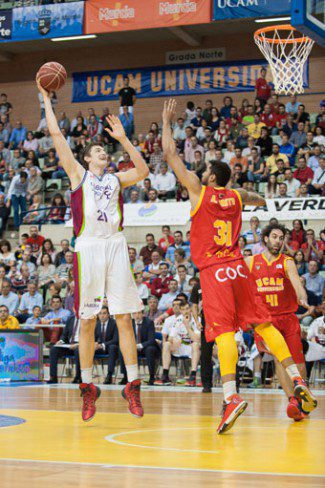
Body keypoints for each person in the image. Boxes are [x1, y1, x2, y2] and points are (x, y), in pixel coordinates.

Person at [162, 98, 317, 434]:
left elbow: (171, 155)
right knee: (262, 324)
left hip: (215, 272)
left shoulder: (199, 192)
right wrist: (261, 200)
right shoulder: (235, 196)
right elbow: (254, 197)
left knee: (224, 333)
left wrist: (166, 123)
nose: (200, 174)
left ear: (210, 176)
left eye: (204, 172)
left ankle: (231, 396)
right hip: (239, 268)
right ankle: (296, 378)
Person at [38, 77, 148, 421]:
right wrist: (45, 99)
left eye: (105, 150)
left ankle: (132, 386)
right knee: (86, 321)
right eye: (99, 150)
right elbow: (57, 137)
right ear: (87, 159)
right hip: (88, 248)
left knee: (124, 318)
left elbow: (142, 170)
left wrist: (124, 139)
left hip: (115, 244)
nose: (104, 152)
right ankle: (88, 388)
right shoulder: (78, 175)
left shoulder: (116, 178)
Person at [246, 224, 310, 421]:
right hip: (266, 322)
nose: (278, 241)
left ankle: (304, 401)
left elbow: (297, 284)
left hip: (288, 318)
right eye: (274, 237)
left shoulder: (287, 261)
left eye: (281, 238)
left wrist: (302, 297)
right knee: (279, 359)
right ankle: (292, 401)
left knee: (298, 363)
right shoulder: (250, 262)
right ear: (265, 239)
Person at [164, 302, 200, 386]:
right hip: (180, 346)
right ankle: (165, 375)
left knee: (195, 344)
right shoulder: (178, 319)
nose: (185, 311)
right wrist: (174, 340)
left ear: (190, 309)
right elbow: (170, 337)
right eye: (183, 309)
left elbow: (196, 339)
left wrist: (187, 325)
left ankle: (192, 376)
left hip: (193, 347)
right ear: (180, 310)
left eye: (187, 309)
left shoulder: (197, 319)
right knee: (166, 344)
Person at [119, 310, 160, 386]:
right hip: (133, 347)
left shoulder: (149, 322)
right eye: (134, 313)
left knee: (150, 349)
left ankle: (152, 376)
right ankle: (125, 376)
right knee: (123, 349)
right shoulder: (129, 323)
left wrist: (139, 346)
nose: (137, 315)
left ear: (143, 314)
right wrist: (130, 345)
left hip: (146, 346)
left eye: (139, 313)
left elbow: (151, 340)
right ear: (132, 315)